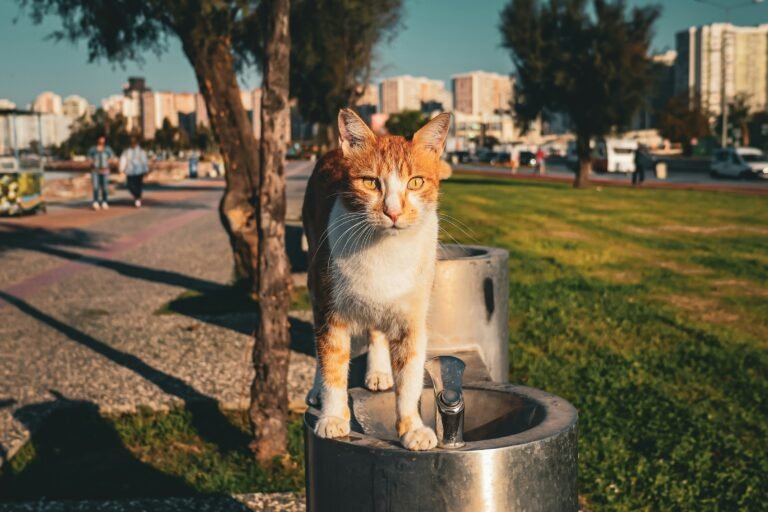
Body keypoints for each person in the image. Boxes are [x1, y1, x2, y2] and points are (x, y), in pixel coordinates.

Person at [119, 137, 150, 207]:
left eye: (134, 142)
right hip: (129, 171)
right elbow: (123, 160)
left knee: (138, 186)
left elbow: (144, 161)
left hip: (139, 171)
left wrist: (146, 170)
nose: (133, 144)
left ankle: (137, 199)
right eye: (132, 142)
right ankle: (136, 197)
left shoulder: (141, 151)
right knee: (130, 186)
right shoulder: (126, 151)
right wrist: (121, 169)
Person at [87, 135, 115, 210]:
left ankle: (104, 201)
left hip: (105, 170)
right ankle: (95, 202)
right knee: (95, 187)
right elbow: (89, 158)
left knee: (105, 187)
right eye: (100, 139)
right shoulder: (93, 149)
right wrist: (91, 162)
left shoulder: (108, 149)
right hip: (95, 171)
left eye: (103, 139)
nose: (102, 140)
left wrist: (108, 162)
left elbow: (112, 157)